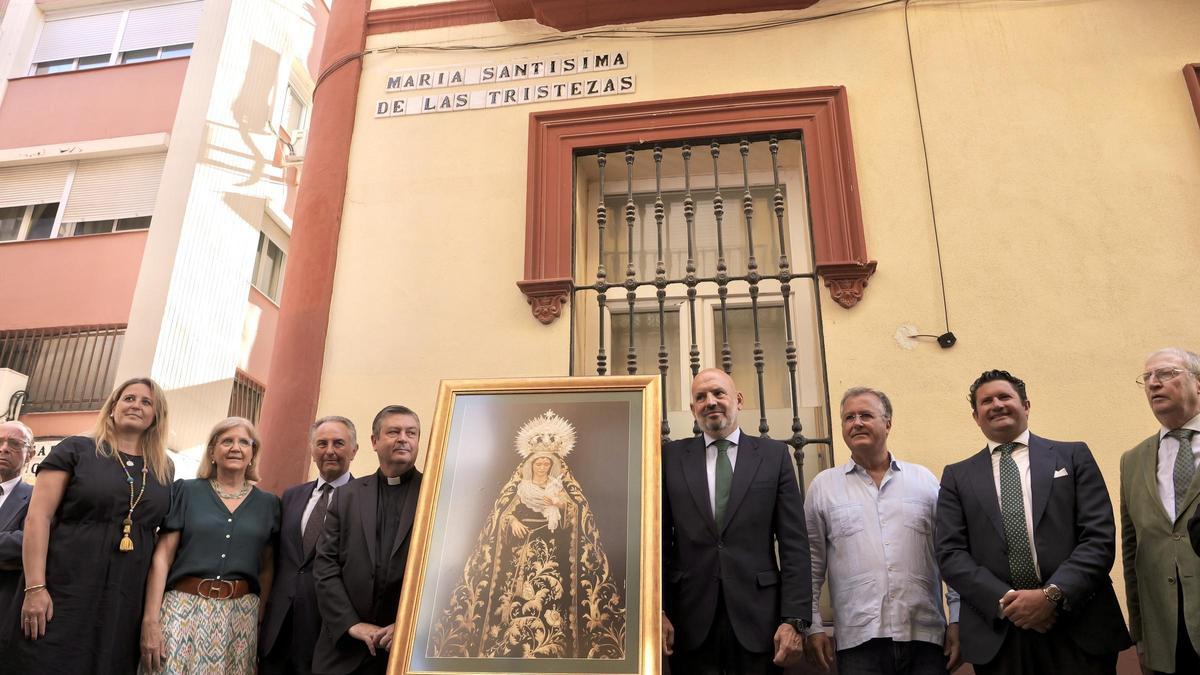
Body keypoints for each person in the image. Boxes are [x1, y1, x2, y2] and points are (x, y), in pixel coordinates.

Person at [935, 369, 1131, 674]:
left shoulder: (1073, 456)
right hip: (1001, 635)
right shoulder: (957, 477)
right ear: (976, 416)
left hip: (1078, 624)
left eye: (1005, 396)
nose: (996, 404)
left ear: (1026, 405)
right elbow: (950, 553)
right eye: (986, 401)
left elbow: (1098, 537)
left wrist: (1051, 595)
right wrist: (1010, 603)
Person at [429, 409, 624, 659]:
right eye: (538, 462)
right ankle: (510, 645)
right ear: (530, 465)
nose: (542, 466)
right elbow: (499, 515)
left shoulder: (561, 489)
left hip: (553, 555)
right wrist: (511, 521)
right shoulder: (520, 488)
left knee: (550, 598)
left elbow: (579, 515)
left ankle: (553, 645)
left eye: (546, 463)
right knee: (513, 601)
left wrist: (560, 505)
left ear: (553, 465)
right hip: (518, 555)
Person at [14, 377, 174, 674]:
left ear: (156, 416)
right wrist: (35, 587)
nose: (136, 405)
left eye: (146, 402)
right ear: (113, 406)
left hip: (123, 601)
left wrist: (150, 618)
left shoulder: (164, 468)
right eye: (129, 398)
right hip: (63, 590)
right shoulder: (76, 449)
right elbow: (38, 518)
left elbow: (161, 540)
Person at [661, 368, 811, 674]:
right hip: (689, 623)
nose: (710, 402)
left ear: (738, 400)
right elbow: (658, 541)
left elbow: (794, 543)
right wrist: (658, 610)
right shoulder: (671, 458)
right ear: (693, 409)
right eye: (700, 397)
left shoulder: (774, 456)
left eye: (719, 393)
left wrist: (794, 620)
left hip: (760, 622)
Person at [805, 387, 960, 675]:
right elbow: (812, 566)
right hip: (859, 641)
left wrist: (958, 620)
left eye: (865, 415)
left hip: (925, 637)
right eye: (848, 417)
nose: (857, 423)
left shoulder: (924, 481)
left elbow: (949, 556)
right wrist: (813, 626)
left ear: (888, 424)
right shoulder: (823, 487)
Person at [138, 416, 281, 673]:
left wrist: (258, 621)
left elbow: (267, 568)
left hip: (240, 617)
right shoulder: (186, 491)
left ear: (253, 453)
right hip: (182, 609)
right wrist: (151, 620)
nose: (235, 447)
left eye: (243, 442)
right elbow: (162, 558)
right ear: (213, 451)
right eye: (227, 441)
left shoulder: (269, 504)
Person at [314, 405, 423, 674]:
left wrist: (409, 624)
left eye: (411, 433)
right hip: (345, 649)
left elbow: (450, 572)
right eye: (394, 431)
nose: (403, 438)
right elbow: (325, 566)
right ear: (374, 442)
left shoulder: (436, 493)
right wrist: (352, 624)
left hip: (407, 649)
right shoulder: (347, 496)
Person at [1120, 348, 1200, 674]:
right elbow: (1131, 552)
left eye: (1166, 373)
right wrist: (1139, 634)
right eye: (1148, 378)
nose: (1153, 384)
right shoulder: (1133, 460)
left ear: (1198, 383)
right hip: (1166, 633)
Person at [261, 415, 359, 675]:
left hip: (327, 629)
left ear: (354, 450)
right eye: (321, 443)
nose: (329, 451)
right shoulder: (292, 496)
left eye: (338, 443)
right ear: (312, 449)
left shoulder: (364, 500)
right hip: (279, 627)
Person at [0, 421, 35, 654]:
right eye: (0, 442)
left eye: (14, 443)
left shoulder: (37, 499)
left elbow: (27, 542)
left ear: (30, 454)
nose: (3, 448)